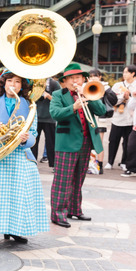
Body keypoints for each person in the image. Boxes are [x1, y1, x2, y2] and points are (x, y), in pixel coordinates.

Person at [0, 71, 49, 251]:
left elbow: (34, 135)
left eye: (17, 81)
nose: (13, 84)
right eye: (9, 80)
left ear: (22, 85)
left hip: (20, 156)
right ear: (3, 83)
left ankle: (12, 229)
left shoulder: (29, 105)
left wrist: (26, 138)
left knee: (18, 195)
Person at [49, 63, 106, 228]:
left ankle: (74, 209)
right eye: (72, 78)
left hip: (86, 142)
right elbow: (55, 114)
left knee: (78, 179)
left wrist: (87, 96)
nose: (76, 81)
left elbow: (101, 110)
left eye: (78, 77)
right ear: (65, 81)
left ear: (83, 79)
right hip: (66, 143)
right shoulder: (58, 94)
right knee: (63, 180)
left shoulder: (88, 92)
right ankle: (57, 214)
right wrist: (73, 107)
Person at [106, 65, 136, 170]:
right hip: (117, 118)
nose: (124, 74)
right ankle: (110, 162)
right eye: (123, 72)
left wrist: (130, 98)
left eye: (127, 72)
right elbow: (112, 101)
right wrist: (123, 97)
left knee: (127, 142)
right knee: (113, 140)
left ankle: (124, 162)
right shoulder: (117, 85)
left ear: (133, 73)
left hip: (130, 120)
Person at [87, 70, 117, 174]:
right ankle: (90, 164)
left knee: (99, 142)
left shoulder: (105, 86)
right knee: (88, 142)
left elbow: (114, 100)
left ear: (100, 77)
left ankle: (99, 165)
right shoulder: (85, 86)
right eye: (91, 76)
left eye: (95, 76)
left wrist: (106, 90)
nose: (93, 78)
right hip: (89, 117)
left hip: (101, 118)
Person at [31, 77, 60, 168]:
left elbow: (59, 100)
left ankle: (53, 164)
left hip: (49, 117)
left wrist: (48, 96)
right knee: (33, 142)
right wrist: (37, 94)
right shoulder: (33, 82)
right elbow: (29, 97)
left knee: (51, 142)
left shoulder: (54, 83)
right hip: (36, 117)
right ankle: (32, 163)